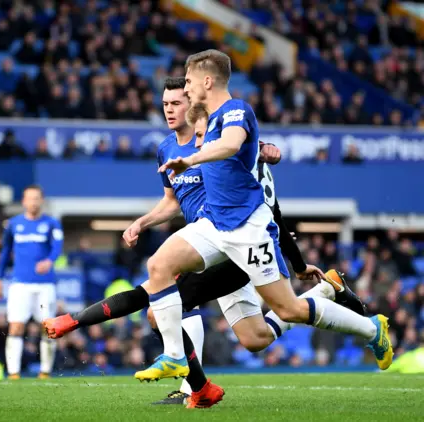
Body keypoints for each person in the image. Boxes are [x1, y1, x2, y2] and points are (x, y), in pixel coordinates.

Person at [43, 77, 366, 408]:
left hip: (229, 242)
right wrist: (142, 221)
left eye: (177, 103)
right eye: (165, 104)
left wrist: (265, 150)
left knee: (160, 304)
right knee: (256, 338)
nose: (170, 110)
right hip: (204, 244)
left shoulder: (218, 136)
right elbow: (171, 202)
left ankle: (195, 387)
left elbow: (244, 149)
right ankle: (324, 292)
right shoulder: (166, 149)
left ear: (193, 103)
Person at [147, 49, 391, 382]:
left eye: (188, 82)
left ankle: (370, 329)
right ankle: (175, 357)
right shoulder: (208, 118)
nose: (185, 90)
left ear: (207, 80)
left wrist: (192, 159)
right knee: (159, 266)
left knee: (289, 309)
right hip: (213, 225)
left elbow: (232, 145)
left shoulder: (236, 111)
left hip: (247, 228)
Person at [0, 185, 64, 379]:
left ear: (41, 201)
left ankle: (45, 371)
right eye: (29, 198)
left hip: (45, 284)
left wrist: (49, 261)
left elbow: (57, 247)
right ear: (23, 201)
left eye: (36, 198)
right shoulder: (14, 224)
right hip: (20, 283)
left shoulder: (52, 223)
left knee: (47, 328)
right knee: (16, 326)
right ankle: (14, 373)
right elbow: (5, 252)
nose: (33, 202)